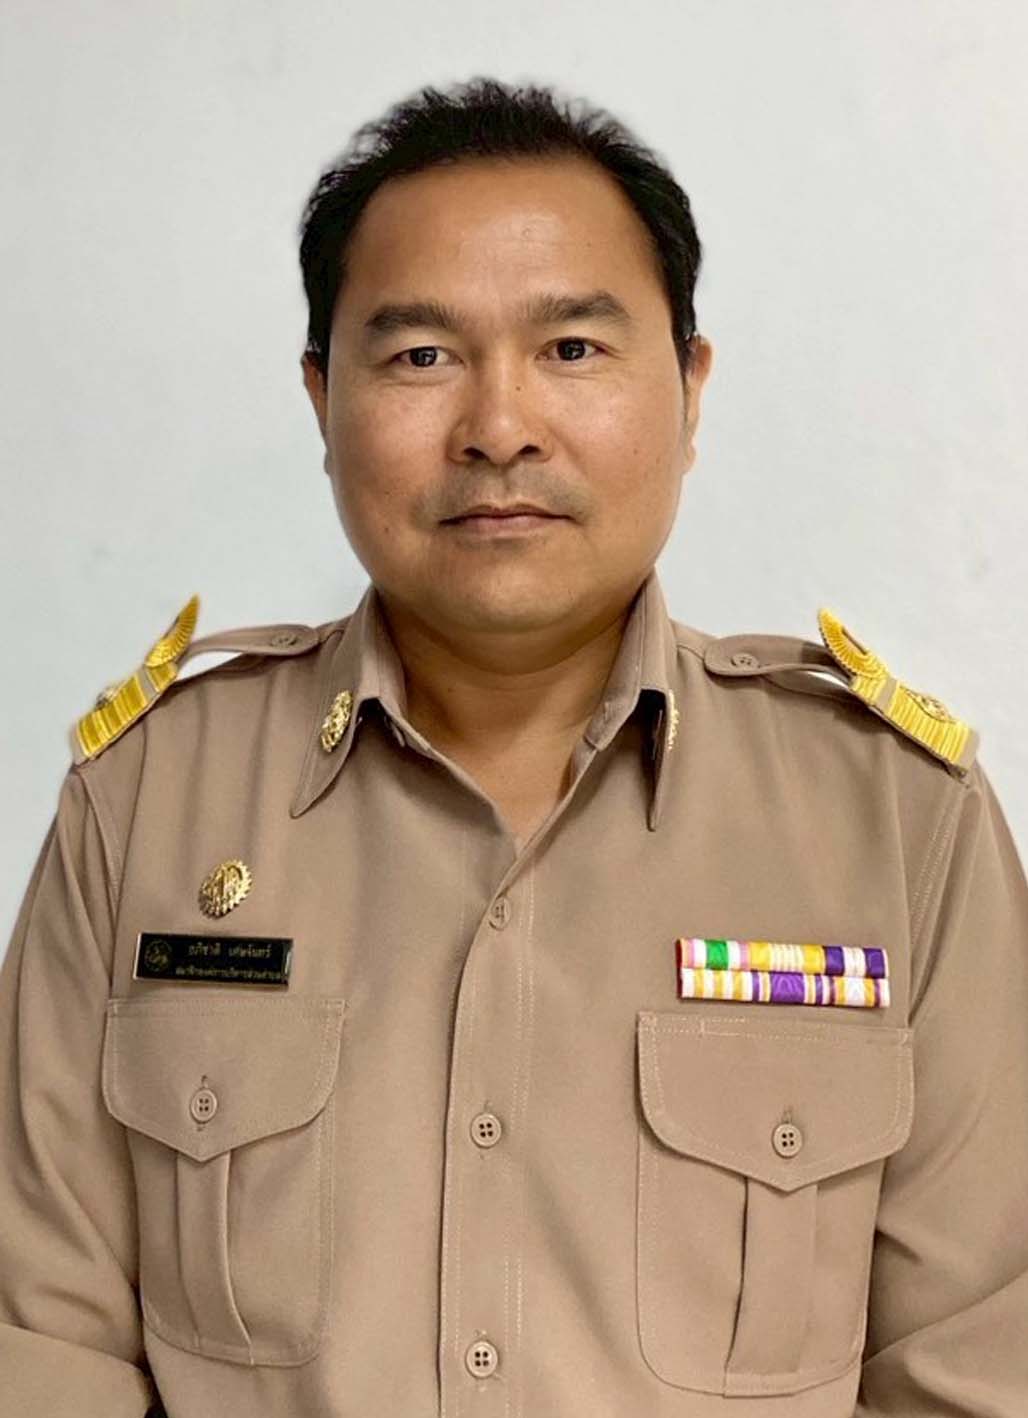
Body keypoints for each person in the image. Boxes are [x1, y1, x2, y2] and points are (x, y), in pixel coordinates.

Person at [1, 75, 1025, 1418]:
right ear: (321, 398)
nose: (498, 427)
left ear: (691, 389)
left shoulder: (895, 818)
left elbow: (978, 1361)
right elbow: (43, 1342)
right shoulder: (148, 800)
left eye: (573, 349)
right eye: (421, 356)